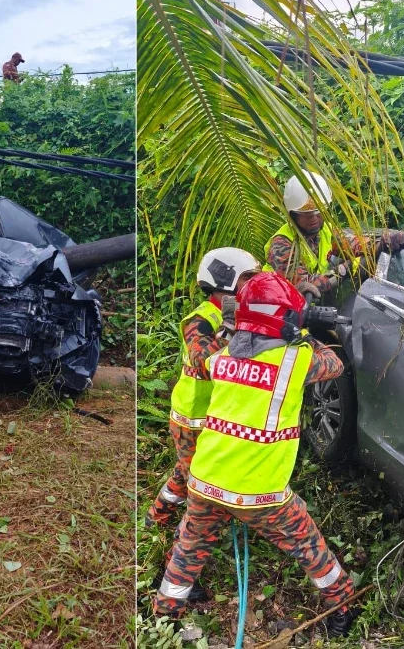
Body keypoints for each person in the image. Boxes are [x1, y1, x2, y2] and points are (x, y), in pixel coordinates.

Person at [154, 272, 358, 637]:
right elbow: (335, 363)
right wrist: (304, 333)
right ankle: (342, 604)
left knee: (189, 548)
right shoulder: (296, 360)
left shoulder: (220, 358)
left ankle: (164, 616)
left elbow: (230, 350)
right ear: (286, 318)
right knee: (306, 543)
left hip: (204, 481)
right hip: (259, 493)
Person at [147, 248, 260, 526]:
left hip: (217, 415)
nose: (253, 284)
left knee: (187, 471)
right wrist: (229, 328)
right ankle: (182, 535)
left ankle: (157, 517)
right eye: (247, 277)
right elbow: (201, 361)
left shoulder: (245, 313)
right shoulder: (202, 319)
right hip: (192, 418)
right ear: (226, 280)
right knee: (198, 482)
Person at [264, 170, 404, 297]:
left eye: (319, 211)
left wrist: (381, 243)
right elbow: (306, 285)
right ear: (293, 215)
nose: (314, 218)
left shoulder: (326, 231)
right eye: (307, 214)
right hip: (276, 309)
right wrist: (346, 268)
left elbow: (353, 244)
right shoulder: (282, 244)